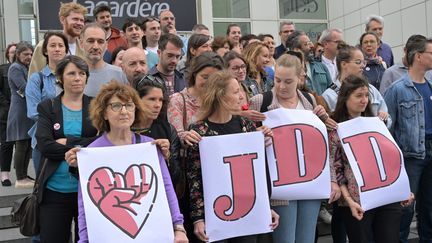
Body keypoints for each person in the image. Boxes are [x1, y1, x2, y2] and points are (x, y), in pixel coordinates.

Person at [64, 81, 187, 243]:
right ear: (104, 113)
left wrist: (178, 227)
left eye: (129, 105)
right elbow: (85, 204)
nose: (124, 111)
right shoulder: (92, 152)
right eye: (116, 106)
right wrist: (84, 239)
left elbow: (166, 188)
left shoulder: (150, 146)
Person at [248, 54, 338, 243]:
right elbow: (245, 143)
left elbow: (320, 146)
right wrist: (258, 138)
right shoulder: (259, 101)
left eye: (288, 81)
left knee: (306, 239)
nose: (281, 86)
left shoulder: (309, 101)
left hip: (309, 180)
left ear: (300, 78)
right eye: (277, 80)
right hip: (280, 183)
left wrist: (331, 179)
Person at [187, 70, 279, 242]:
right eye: (236, 92)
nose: (241, 97)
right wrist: (198, 218)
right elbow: (195, 178)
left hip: (248, 212)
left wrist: (266, 206)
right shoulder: (199, 131)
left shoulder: (247, 125)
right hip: (216, 215)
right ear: (220, 95)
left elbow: (258, 173)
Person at [330, 75, 414, 243]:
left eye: (366, 95)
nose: (364, 100)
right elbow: (336, 169)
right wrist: (347, 200)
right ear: (345, 97)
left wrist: (402, 189)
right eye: (359, 96)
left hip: (386, 196)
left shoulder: (376, 123)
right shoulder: (335, 128)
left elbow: (390, 159)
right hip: (356, 201)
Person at [35, 55, 98, 243]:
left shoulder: (96, 106)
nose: (77, 78)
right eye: (71, 73)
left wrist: (66, 142)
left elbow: (101, 142)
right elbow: (45, 145)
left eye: (81, 73)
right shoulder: (48, 107)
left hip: (90, 191)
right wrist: (81, 145)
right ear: (60, 78)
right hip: (55, 191)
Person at [384, 37, 432, 243]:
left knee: (429, 206)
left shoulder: (430, 86)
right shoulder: (397, 89)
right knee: (405, 208)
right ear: (418, 56)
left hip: (430, 150)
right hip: (410, 156)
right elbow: (387, 127)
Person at [26, 31, 68, 176]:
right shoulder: (37, 79)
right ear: (45, 50)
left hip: (69, 138)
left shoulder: (73, 78)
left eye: (61, 46)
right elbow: (33, 112)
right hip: (44, 140)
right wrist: (59, 123)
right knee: (43, 185)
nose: (57, 49)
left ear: (66, 50)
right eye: (52, 45)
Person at [132, 74, 182, 188]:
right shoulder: (122, 128)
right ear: (137, 100)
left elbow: (176, 177)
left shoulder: (168, 129)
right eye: (152, 99)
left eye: (160, 100)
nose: (157, 105)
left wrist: (167, 156)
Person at [168, 52, 224, 144]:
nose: (209, 82)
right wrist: (185, 136)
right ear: (195, 74)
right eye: (205, 77)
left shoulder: (220, 98)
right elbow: (175, 135)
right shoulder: (177, 100)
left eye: (215, 78)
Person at [322, 42, 389, 118]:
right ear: (343, 64)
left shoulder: (371, 89)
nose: (362, 66)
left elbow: (387, 117)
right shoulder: (328, 96)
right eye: (358, 62)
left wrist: (384, 118)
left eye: (364, 62)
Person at [29, 2, 86, 77]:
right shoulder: (43, 46)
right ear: (62, 20)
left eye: (82, 20)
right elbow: (33, 77)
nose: (79, 23)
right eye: (75, 19)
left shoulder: (84, 48)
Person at [6, 41, 34, 188]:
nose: (29, 56)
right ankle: (20, 177)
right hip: (20, 110)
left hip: (26, 109)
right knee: (21, 144)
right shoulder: (16, 68)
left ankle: (24, 175)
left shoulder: (25, 67)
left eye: (30, 54)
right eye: (25, 54)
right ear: (18, 54)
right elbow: (24, 87)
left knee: (27, 144)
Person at [80, 23, 127, 97]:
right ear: (81, 43)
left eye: (100, 42)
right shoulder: (72, 75)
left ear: (106, 45)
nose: (95, 46)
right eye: (91, 41)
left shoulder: (120, 74)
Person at [224, 51, 266, 123]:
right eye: (235, 68)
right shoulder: (222, 90)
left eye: (243, 66)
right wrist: (242, 114)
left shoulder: (252, 86)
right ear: (225, 70)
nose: (241, 71)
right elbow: (220, 114)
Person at [286, 30, 332, 95]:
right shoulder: (287, 70)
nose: (312, 46)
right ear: (296, 49)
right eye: (306, 44)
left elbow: (332, 91)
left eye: (310, 42)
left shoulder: (322, 67)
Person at [0, 43, 16, 186]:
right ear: (8, 55)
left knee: (24, 144)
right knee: (6, 143)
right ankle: (4, 174)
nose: (14, 54)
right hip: (6, 113)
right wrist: (6, 105)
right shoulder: (2, 70)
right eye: (12, 52)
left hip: (21, 112)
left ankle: (22, 174)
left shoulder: (26, 70)